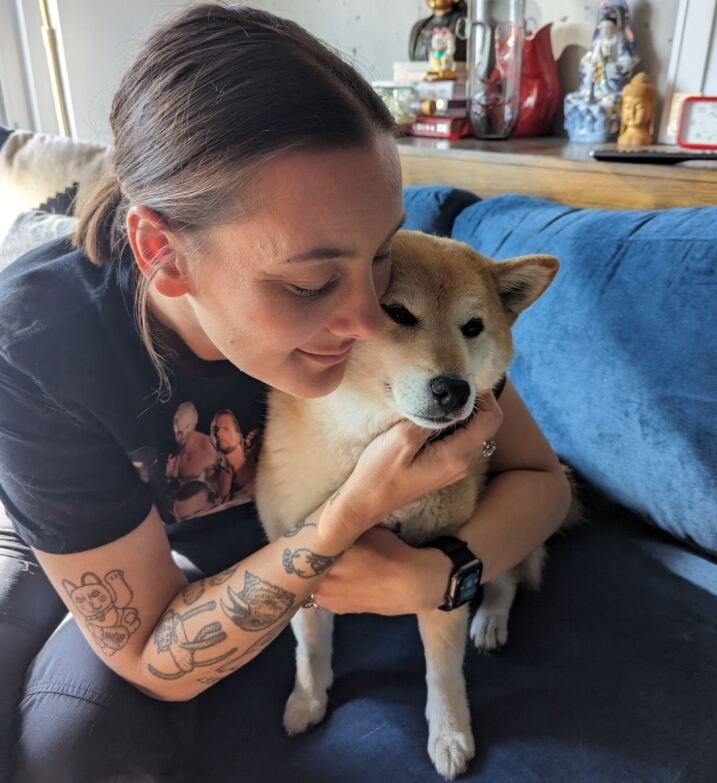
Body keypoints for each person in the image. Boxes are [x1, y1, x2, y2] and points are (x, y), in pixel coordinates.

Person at [0, 5, 573, 782]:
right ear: (163, 256)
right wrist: (352, 511)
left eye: (380, 257)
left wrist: (438, 574)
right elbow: (147, 650)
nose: (369, 319)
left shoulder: (405, 329)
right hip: (111, 543)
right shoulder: (37, 348)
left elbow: (540, 481)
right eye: (309, 281)